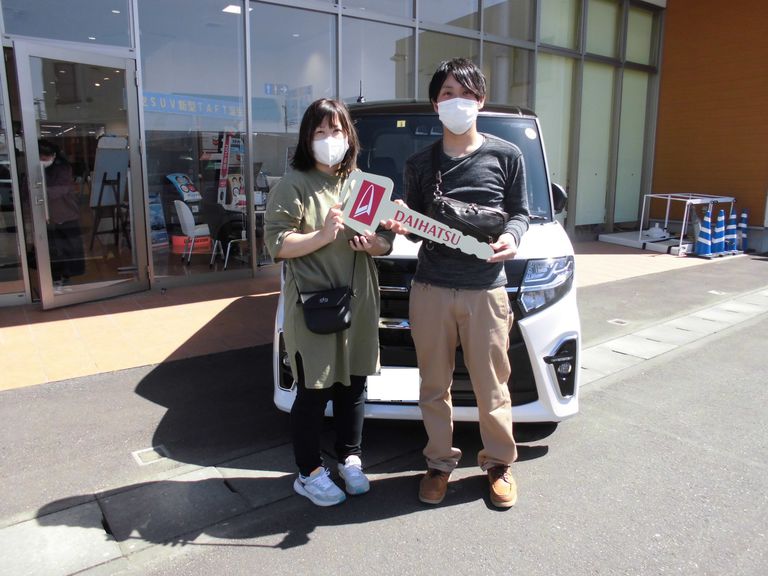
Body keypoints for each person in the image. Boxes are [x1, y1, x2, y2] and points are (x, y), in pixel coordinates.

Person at [382, 58, 530, 508]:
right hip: (430, 289)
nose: (457, 102)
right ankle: (438, 462)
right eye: (447, 93)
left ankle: (499, 464)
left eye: (466, 93)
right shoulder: (419, 163)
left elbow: (521, 213)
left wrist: (512, 236)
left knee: (492, 387)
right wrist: (401, 225)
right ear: (435, 103)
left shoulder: (507, 155)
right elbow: (413, 226)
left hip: (486, 290)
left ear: (481, 100)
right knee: (433, 385)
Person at [264, 98, 394, 507]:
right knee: (314, 390)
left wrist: (375, 244)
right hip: (314, 304)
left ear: (348, 136)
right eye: (319, 132)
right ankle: (309, 473)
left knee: (354, 385)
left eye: (335, 130)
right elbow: (277, 244)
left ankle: (349, 458)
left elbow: (386, 242)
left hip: (359, 302)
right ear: (307, 139)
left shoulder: (363, 184)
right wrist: (322, 235)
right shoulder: (293, 184)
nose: (329, 139)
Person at [39, 139, 85, 283]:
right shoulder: (36, 167)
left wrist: (40, 192)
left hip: (65, 212)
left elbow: (60, 189)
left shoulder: (63, 168)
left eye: (45, 158)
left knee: (69, 246)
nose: (43, 160)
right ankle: (56, 276)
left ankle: (67, 275)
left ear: (53, 155)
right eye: (40, 157)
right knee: (54, 247)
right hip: (48, 214)